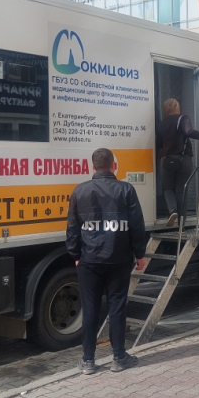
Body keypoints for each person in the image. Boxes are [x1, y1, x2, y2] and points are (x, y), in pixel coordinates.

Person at [66, 148, 147, 375]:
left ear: (92, 167)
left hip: (89, 260)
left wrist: (75, 255)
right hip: (119, 257)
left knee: (90, 309)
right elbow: (137, 225)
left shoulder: (80, 191)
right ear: (114, 166)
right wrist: (139, 253)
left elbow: (72, 228)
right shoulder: (126, 190)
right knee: (117, 308)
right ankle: (119, 357)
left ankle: (88, 360)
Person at [156, 98, 199, 226]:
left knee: (168, 189)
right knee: (181, 191)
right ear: (177, 108)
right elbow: (189, 132)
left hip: (167, 161)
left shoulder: (162, 124)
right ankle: (181, 225)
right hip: (183, 160)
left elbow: (158, 144)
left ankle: (172, 210)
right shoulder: (182, 118)